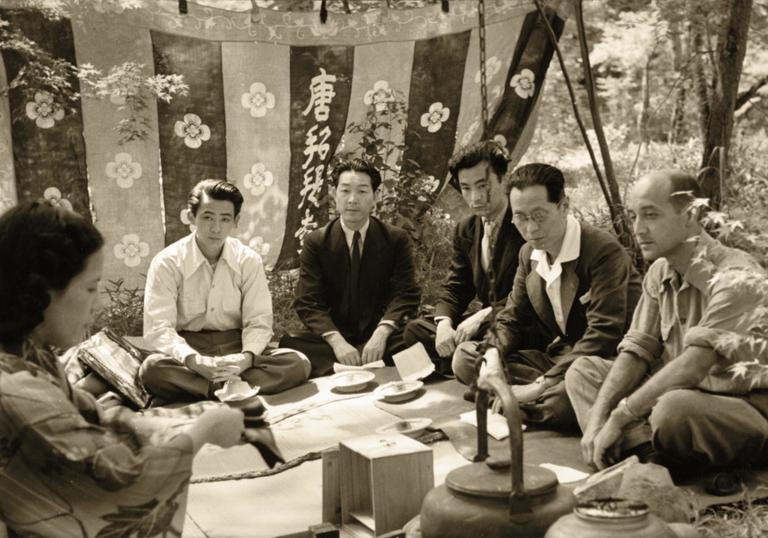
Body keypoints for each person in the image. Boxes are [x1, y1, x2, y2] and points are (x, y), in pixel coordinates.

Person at [0, 201, 245, 536]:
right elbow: (117, 482)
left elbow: (92, 416)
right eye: (90, 287)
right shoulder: (15, 389)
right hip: (183, 356)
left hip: (226, 354)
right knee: (154, 369)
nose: (97, 302)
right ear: (42, 291)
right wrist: (204, 430)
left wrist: (181, 419)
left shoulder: (30, 352)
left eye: (225, 219)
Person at [565, 170, 768, 476]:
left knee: (673, 409)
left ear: (693, 215)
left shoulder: (737, 277)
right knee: (582, 372)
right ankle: (646, 455)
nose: (638, 229)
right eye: (634, 216)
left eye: (650, 215)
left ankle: (640, 452)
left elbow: (694, 365)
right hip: (679, 391)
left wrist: (620, 416)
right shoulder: (660, 271)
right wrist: (597, 416)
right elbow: (636, 351)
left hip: (743, 407)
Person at [471, 163, 642, 428]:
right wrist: (493, 355)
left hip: (603, 361)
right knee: (468, 358)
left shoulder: (602, 251)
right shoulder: (528, 254)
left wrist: (539, 386)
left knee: (562, 400)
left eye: (539, 216)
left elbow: (604, 334)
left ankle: (519, 401)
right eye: (520, 217)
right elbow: (512, 318)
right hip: (561, 356)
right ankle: (517, 396)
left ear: (564, 206)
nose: (530, 229)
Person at [140, 179, 310, 403]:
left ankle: (210, 388)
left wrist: (245, 359)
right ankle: (234, 388)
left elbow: (258, 322)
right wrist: (193, 360)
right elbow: (159, 327)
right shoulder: (167, 262)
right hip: (190, 348)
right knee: (152, 369)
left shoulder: (248, 260)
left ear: (236, 221)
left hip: (236, 344)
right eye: (208, 217)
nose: (216, 228)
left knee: (298, 362)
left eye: (225, 219)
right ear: (191, 217)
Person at [279, 158, 421, 377]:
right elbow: (307, 301)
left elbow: (406, 293)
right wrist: (337, 342)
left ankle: (343, 368)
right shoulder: (316, 241)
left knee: (416, 333)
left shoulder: (396, 239)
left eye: (363, 191)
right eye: (345, 191)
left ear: (375, 197)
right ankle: (358, 364)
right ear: (335, 194)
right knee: (290, 342)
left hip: (381, 335)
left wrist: (381, 334)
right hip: (335, 336)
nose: (353, 200)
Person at [403, 141, 526, 374]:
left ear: (503, 179)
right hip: (485, 324)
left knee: (483, 337)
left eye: (483, 186)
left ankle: (466, 364)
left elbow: (529, 294)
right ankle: (467, 363)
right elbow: (457, 285)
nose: (475, 197)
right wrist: (444, 323)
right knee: (416, 330)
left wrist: (483, 314)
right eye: (466, 188)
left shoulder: (524, 221)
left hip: (518, 318)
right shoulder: (466, 229)